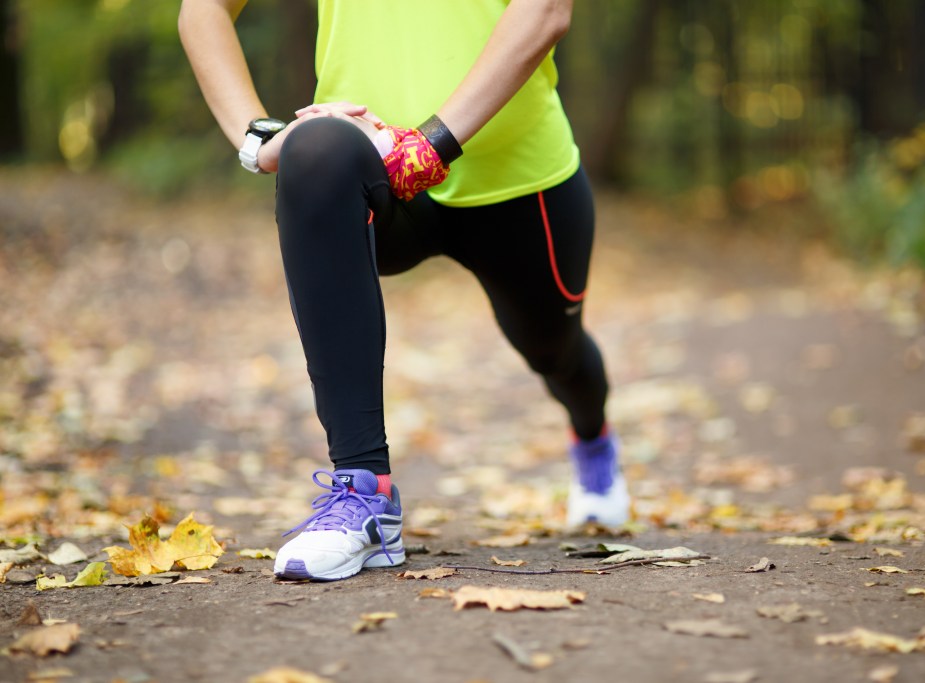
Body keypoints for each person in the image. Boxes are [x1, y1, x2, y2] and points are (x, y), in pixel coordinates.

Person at [178, 0, 630, 581]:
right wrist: (256, 136)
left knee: (554, 349)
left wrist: (431, 144)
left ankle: (593, 440)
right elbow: (203, 10)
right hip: (372, 162)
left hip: (517, 181)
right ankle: (364, 491)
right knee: (314, 149)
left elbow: (545, 10)